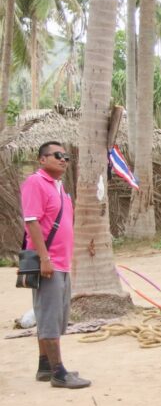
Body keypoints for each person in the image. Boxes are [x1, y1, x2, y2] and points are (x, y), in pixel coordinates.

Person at [21, 141, 91, 389]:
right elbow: (32, 222)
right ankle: (59, 373)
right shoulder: (35, 183)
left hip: (60, 263)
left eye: (66, 156)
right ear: (42, 159)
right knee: (50, 316)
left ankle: (44, 365)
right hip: (48, 262)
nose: (63, 160)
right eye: (57, 155)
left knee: (55, 315)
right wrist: (44, 258)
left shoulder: (59, 187)